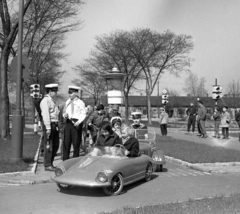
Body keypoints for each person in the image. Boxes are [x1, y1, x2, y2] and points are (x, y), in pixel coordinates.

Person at [62, 86, 86, 161]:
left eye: (71, 93)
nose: (70, 95)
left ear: (76, 93)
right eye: (69, 93)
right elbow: (64, 111)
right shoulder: (67, 101)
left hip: (76, 123)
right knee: (66, 142)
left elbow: (84, 114)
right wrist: (64, 115)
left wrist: (79, 122)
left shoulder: (80, 102)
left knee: (76, 143)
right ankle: (65, 160)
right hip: (68, 122)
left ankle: (74, 160)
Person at [40, 83, 60, 171]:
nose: (56, 93)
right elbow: (46, 115)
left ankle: (50, 163)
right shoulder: (45, 101)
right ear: (50, 91)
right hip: (50, 124)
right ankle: (47, 164)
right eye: (54, 91)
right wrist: (48, 127)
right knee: (49, 145)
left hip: (55, 124)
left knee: (55, 145)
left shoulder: (52, 101)